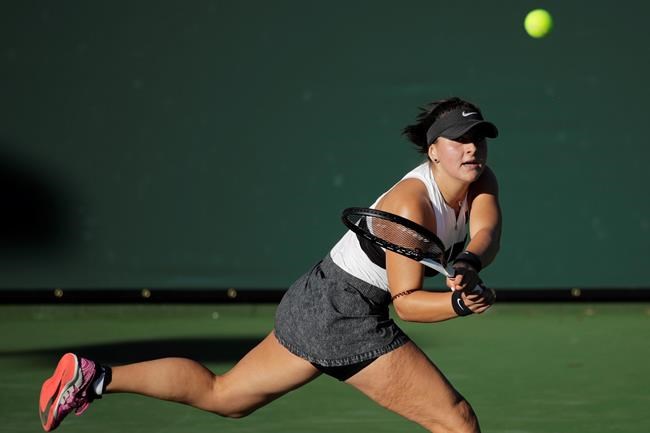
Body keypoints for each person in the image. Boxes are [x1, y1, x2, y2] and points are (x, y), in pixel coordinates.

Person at [39, 96, 501, 433]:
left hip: (317, 297)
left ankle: (93, 377)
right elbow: (408, 304)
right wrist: (460, 304)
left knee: (225, 396)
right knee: (456, 422)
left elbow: (486, 233)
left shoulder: (479, 179)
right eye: (459, 140)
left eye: (478, 138)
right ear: (432, 150)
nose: (472, 149)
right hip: (344, 311)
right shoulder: (410, 205)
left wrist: (468, 262)